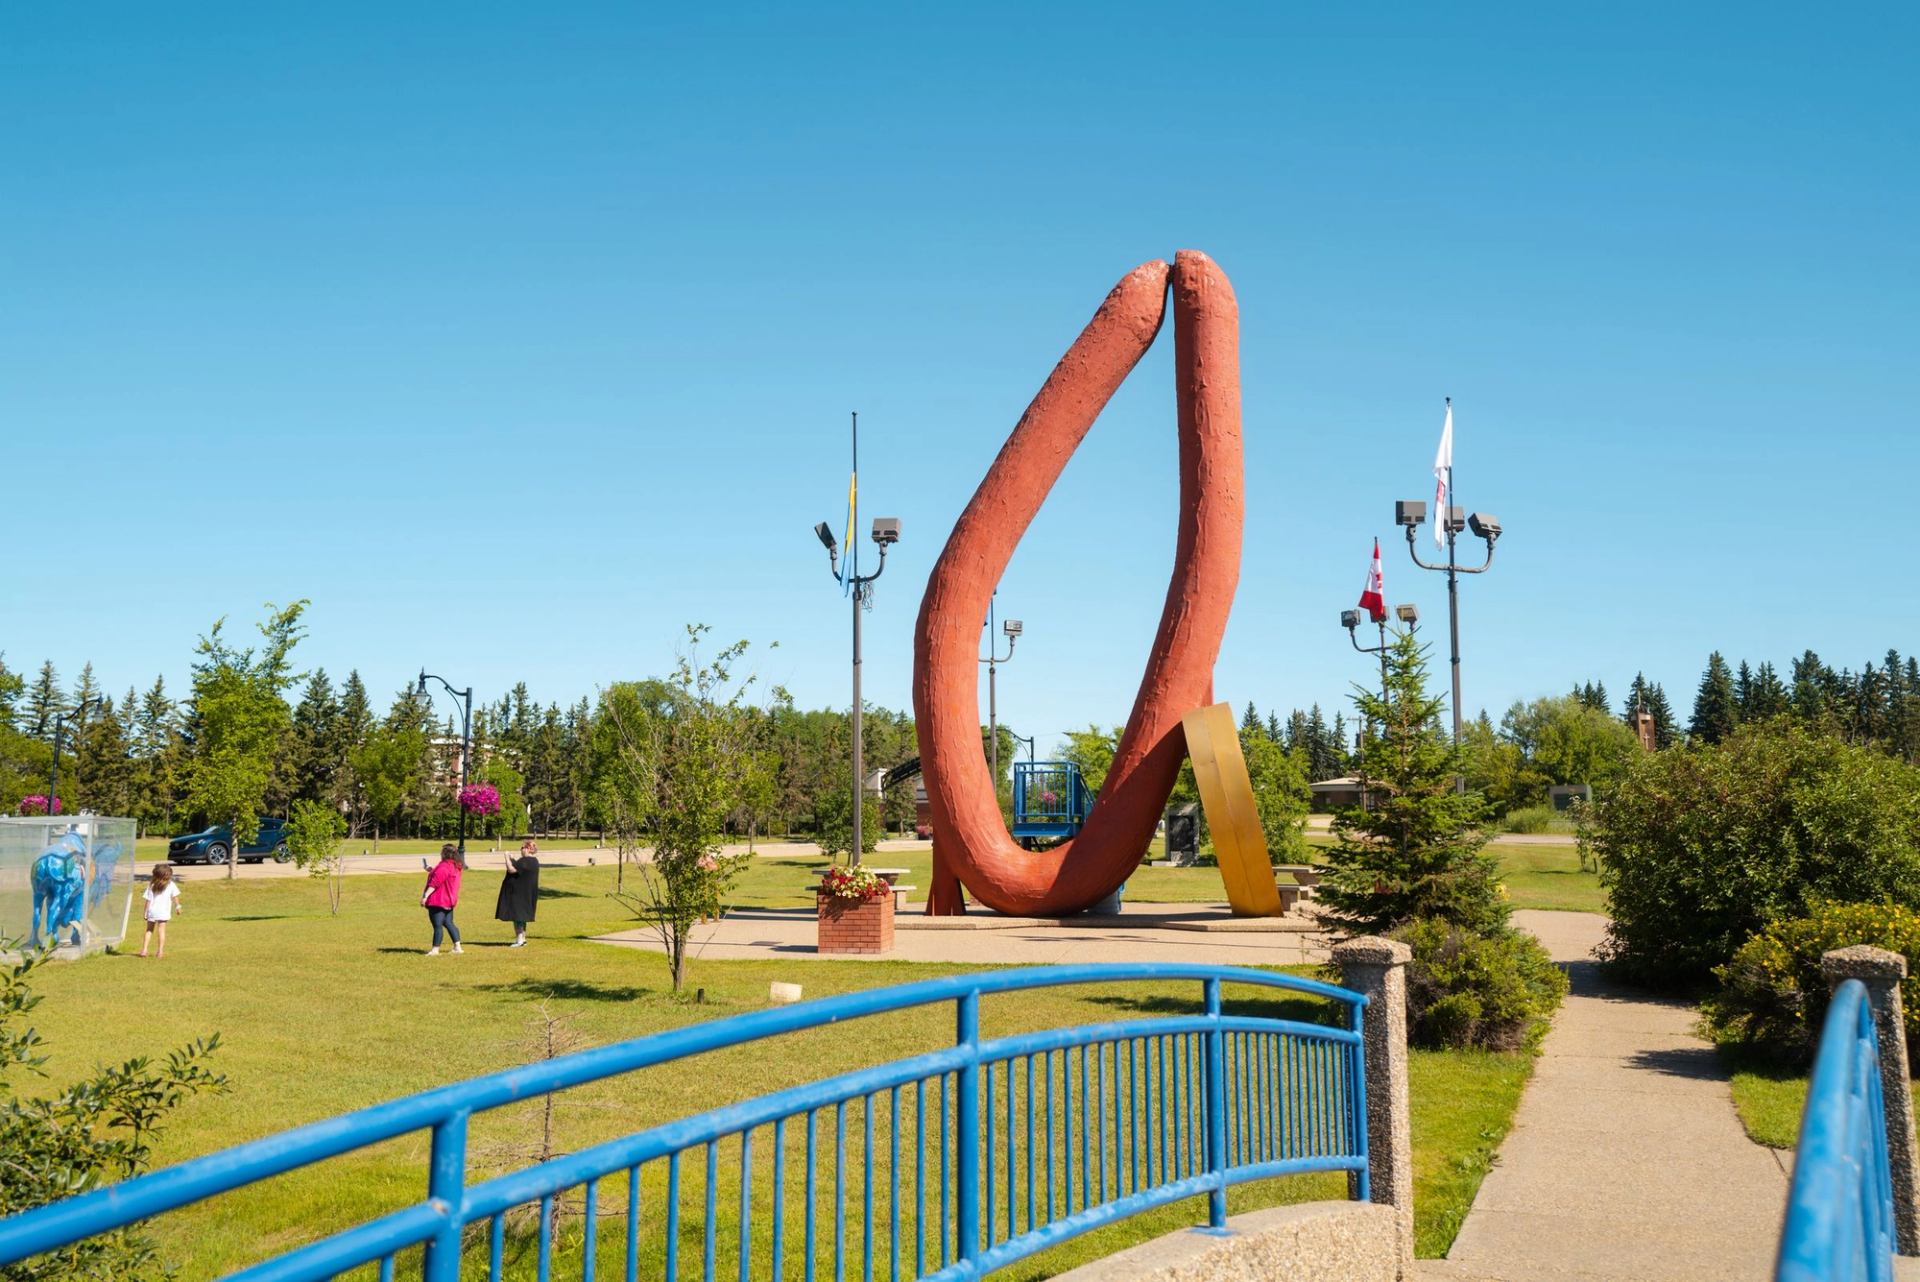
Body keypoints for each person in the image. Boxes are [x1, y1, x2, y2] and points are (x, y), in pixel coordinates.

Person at [496, 839, 541, 947]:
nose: (521, 850)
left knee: (518, 916)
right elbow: (519, 868)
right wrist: (513, 859)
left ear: (528, 848)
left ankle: (519, 940)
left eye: (522, 848)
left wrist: (506, 857)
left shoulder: (524, 860)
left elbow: (512, 869)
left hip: (519, 893)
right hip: (527, 893)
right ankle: (522, 939)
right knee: (522, 916)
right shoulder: (534, 861)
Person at [421, 844, 464, 956]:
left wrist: (425, 896)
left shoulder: (444, 867)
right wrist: (431, 870)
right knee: (449, 923)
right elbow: (442, 876)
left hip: (438, 900)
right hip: (449, 900)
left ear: (445, 854)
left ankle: (435, 950)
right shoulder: (455, 866)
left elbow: (435, 883)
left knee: (437, 925)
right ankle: (457, 947)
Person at [139, 863, 182, 959]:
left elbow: (148, 900)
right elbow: (175, 897)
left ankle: (144, 950)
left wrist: (145, 912)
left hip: (152, 911)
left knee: (149, 930)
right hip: (163, 912)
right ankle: (160, 951)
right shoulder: (171, 885)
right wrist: (178, 906)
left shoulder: (152, 885)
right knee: (161, 930)